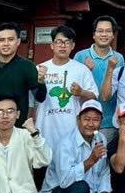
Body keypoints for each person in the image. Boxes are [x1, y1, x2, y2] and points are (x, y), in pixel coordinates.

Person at [43, 100, 114, 193]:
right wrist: (91, 160)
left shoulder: (100, 138)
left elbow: (104, 172)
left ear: (101, 122)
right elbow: (65, 181)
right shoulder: (66, 143)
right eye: (86, 119)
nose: (91, 124)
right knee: (80, 187)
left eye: (95, 120)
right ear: (78, 120)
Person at [34, 25, 97, 157]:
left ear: (72, 46)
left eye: (67, 42)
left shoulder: (81, 69)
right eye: (59, 42)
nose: (62, 46)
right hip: (45, 132)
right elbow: (31, 102)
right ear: (52, 45)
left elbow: (94, 97)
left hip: (72, 132)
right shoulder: (39, 69)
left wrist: (81, 92)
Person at [0, 21, 46, 125]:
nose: (6, 43)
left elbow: (40, 97)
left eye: (10, 39)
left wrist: (41, 82)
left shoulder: (27, 67)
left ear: (18, 41)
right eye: (2, 40)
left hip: (18, 126)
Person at [74, 16, 125, 142]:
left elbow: (121, 89)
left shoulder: (118, 58)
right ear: (94, 35)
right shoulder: (80, 56)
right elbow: (73, 88)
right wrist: (86, 70)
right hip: (84, 121)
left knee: (103, 154)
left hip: (108, 122)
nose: (104, 34)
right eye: (100, 31)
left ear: (113, 36)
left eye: (108, 31)